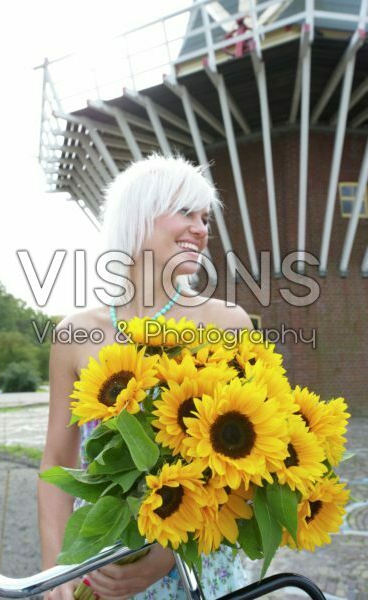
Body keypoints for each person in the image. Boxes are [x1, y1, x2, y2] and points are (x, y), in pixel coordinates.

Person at [38, 154, 253, 599]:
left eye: (205, 217)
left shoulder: (228, 324)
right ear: (137, 216)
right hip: (99, 562)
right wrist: (55, 571)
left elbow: (249, 469)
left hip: (196, 567)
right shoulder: (76, 333)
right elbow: (57, 461)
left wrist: (168, 553)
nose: (201, 228)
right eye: (185, 212)